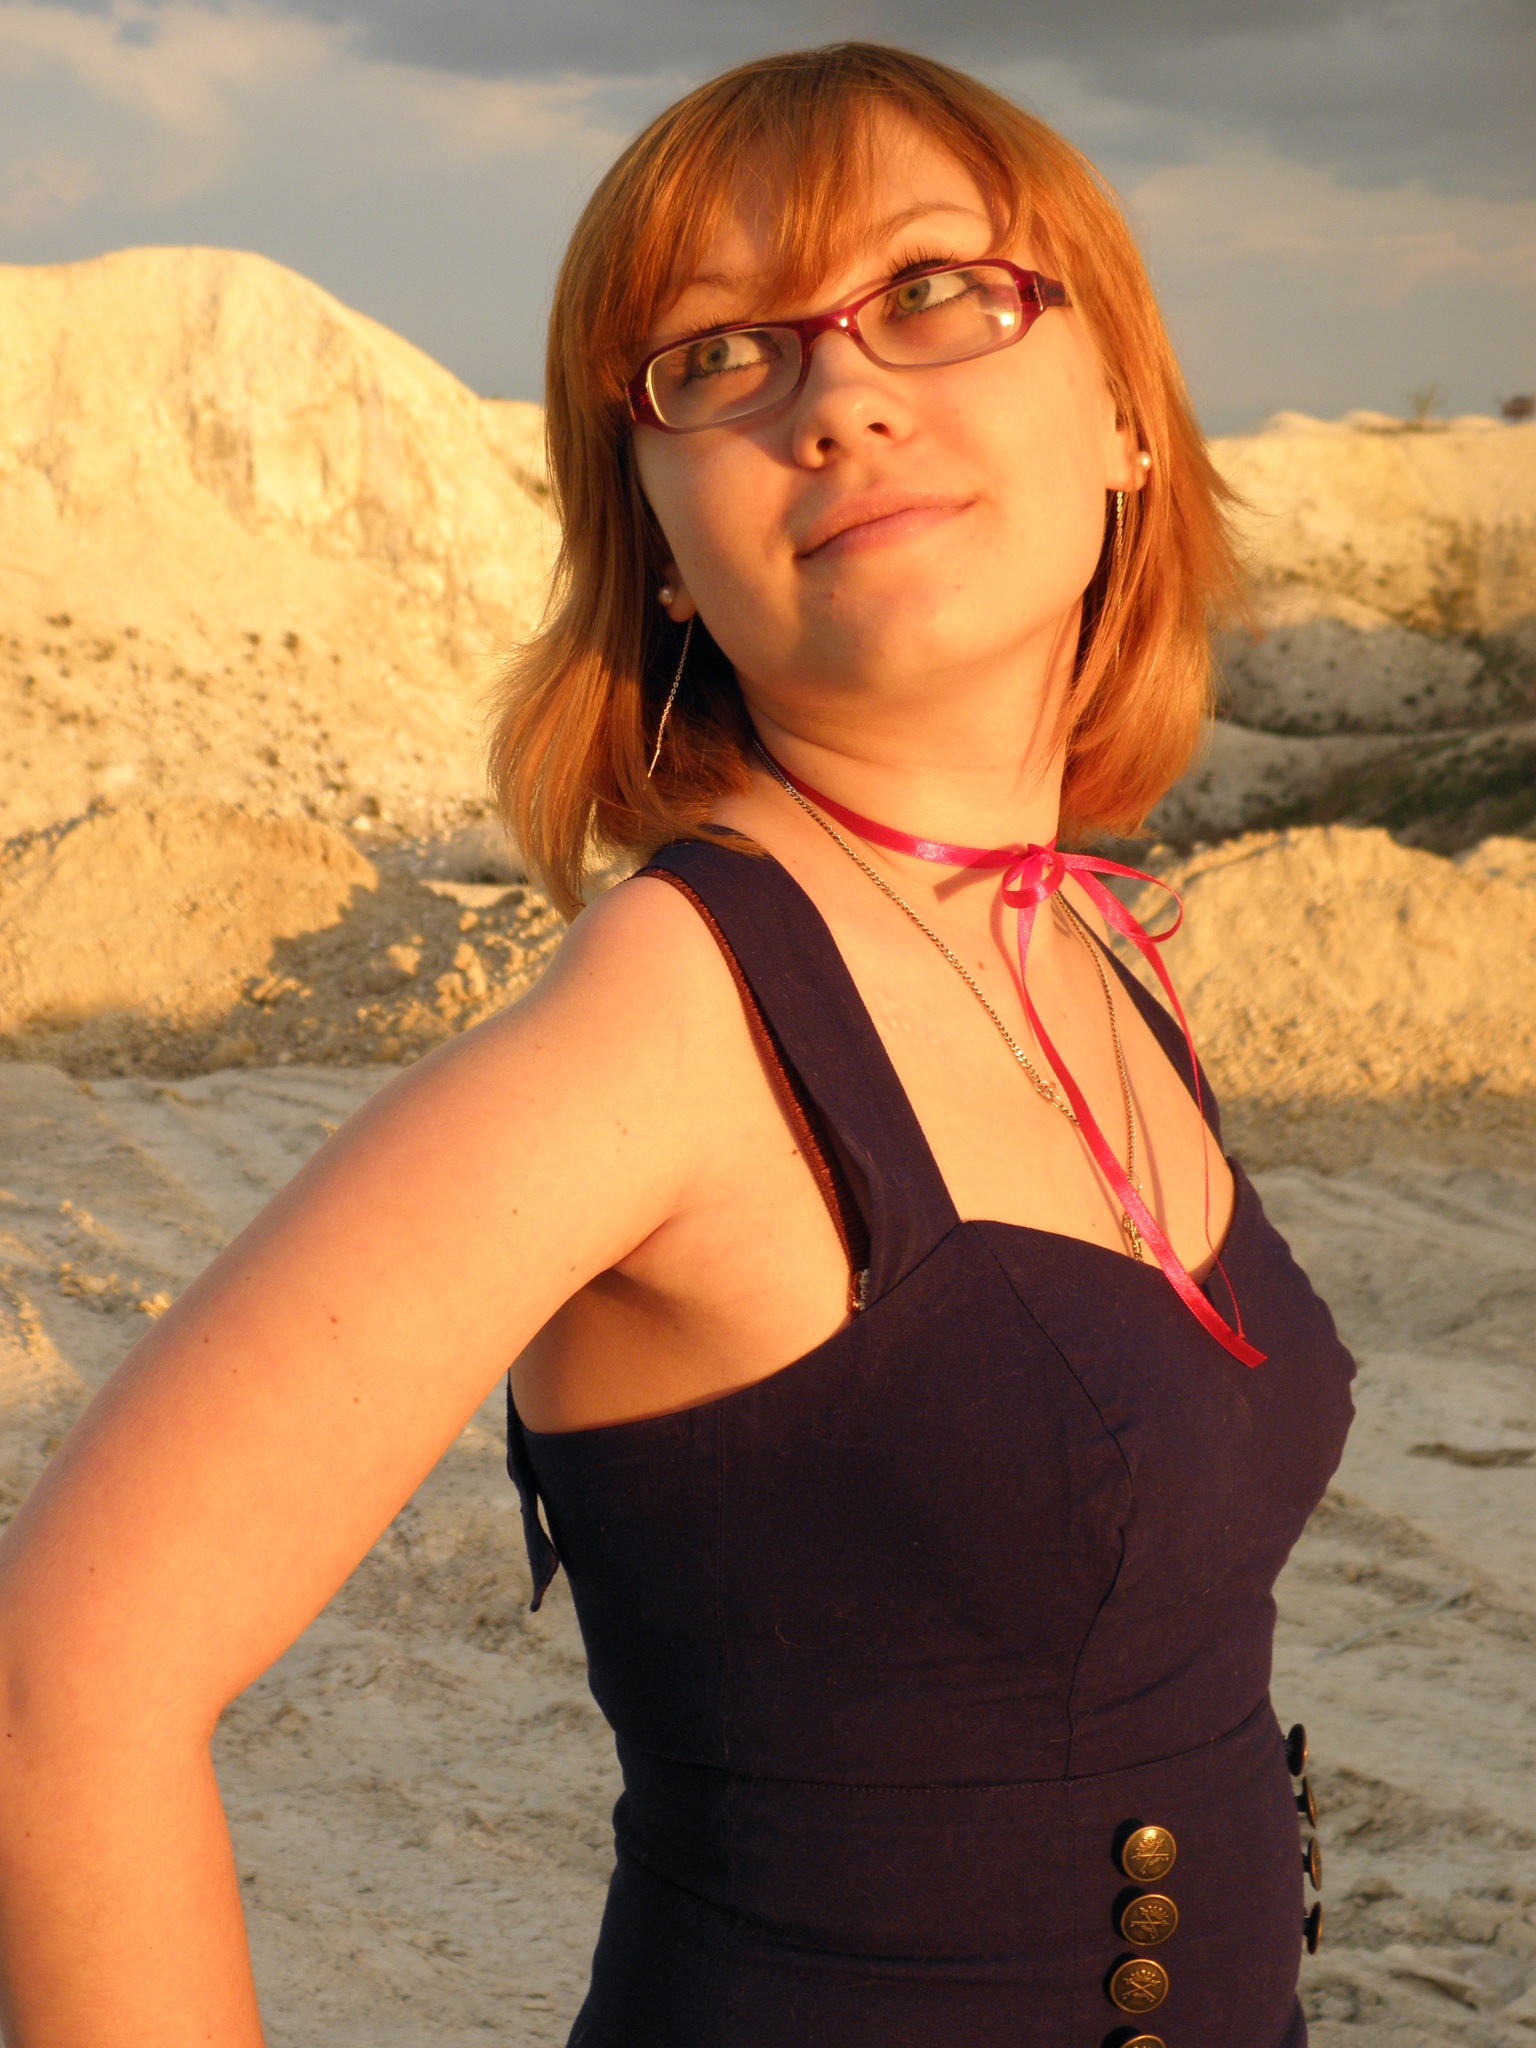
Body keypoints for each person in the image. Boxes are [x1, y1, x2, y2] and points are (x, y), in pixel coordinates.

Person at [0, 42, 1355, 2048]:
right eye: (718, 355)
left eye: (929, 289)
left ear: (1129, 417)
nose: (840, 395)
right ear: (650, 531)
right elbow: (66, 1680)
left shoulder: (1080, 938)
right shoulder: (671, 1024)